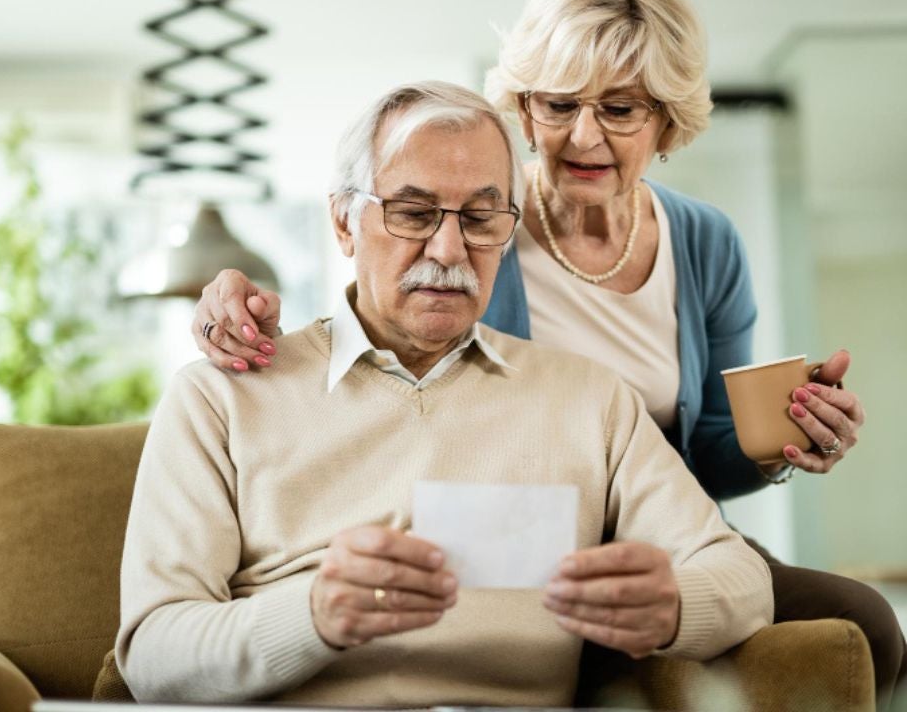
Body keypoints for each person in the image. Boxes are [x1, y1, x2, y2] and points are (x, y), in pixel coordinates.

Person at [187, 0, 907, 712]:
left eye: (620, 109)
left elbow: (708, 454)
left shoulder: (704, 242)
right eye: (559, 105)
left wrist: (783, 439)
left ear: (666, 122)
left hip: (651, 533)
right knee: (869, 635)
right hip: (522, 537)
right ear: (524, 112)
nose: (584, 136)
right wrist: (235, 307)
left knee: (890, 648)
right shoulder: (478, 222)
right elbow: (382, 317)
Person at [116, 81, 773, 705]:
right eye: (413, 213)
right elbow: (152, 655)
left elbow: (740, 578)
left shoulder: (589, 399)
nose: (451, 249)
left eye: (481, 218)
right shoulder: (221, 397)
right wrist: (311, 615)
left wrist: (675, 607)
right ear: (344, 222)